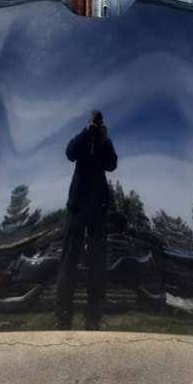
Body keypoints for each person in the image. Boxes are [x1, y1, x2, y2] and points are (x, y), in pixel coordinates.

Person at [55, 110, 117, 330]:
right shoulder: (82, 138)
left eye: (98, 122)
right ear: (89, 122)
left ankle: (93, 319)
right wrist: (86, 131)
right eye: (94, 121)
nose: (96, 124)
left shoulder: (104, 141)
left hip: (98, 209)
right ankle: (62, 317)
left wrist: (105, 141)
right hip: (77, 207)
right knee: (69, 261)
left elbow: (112, 165)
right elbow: (70, 153)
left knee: (97, 263)